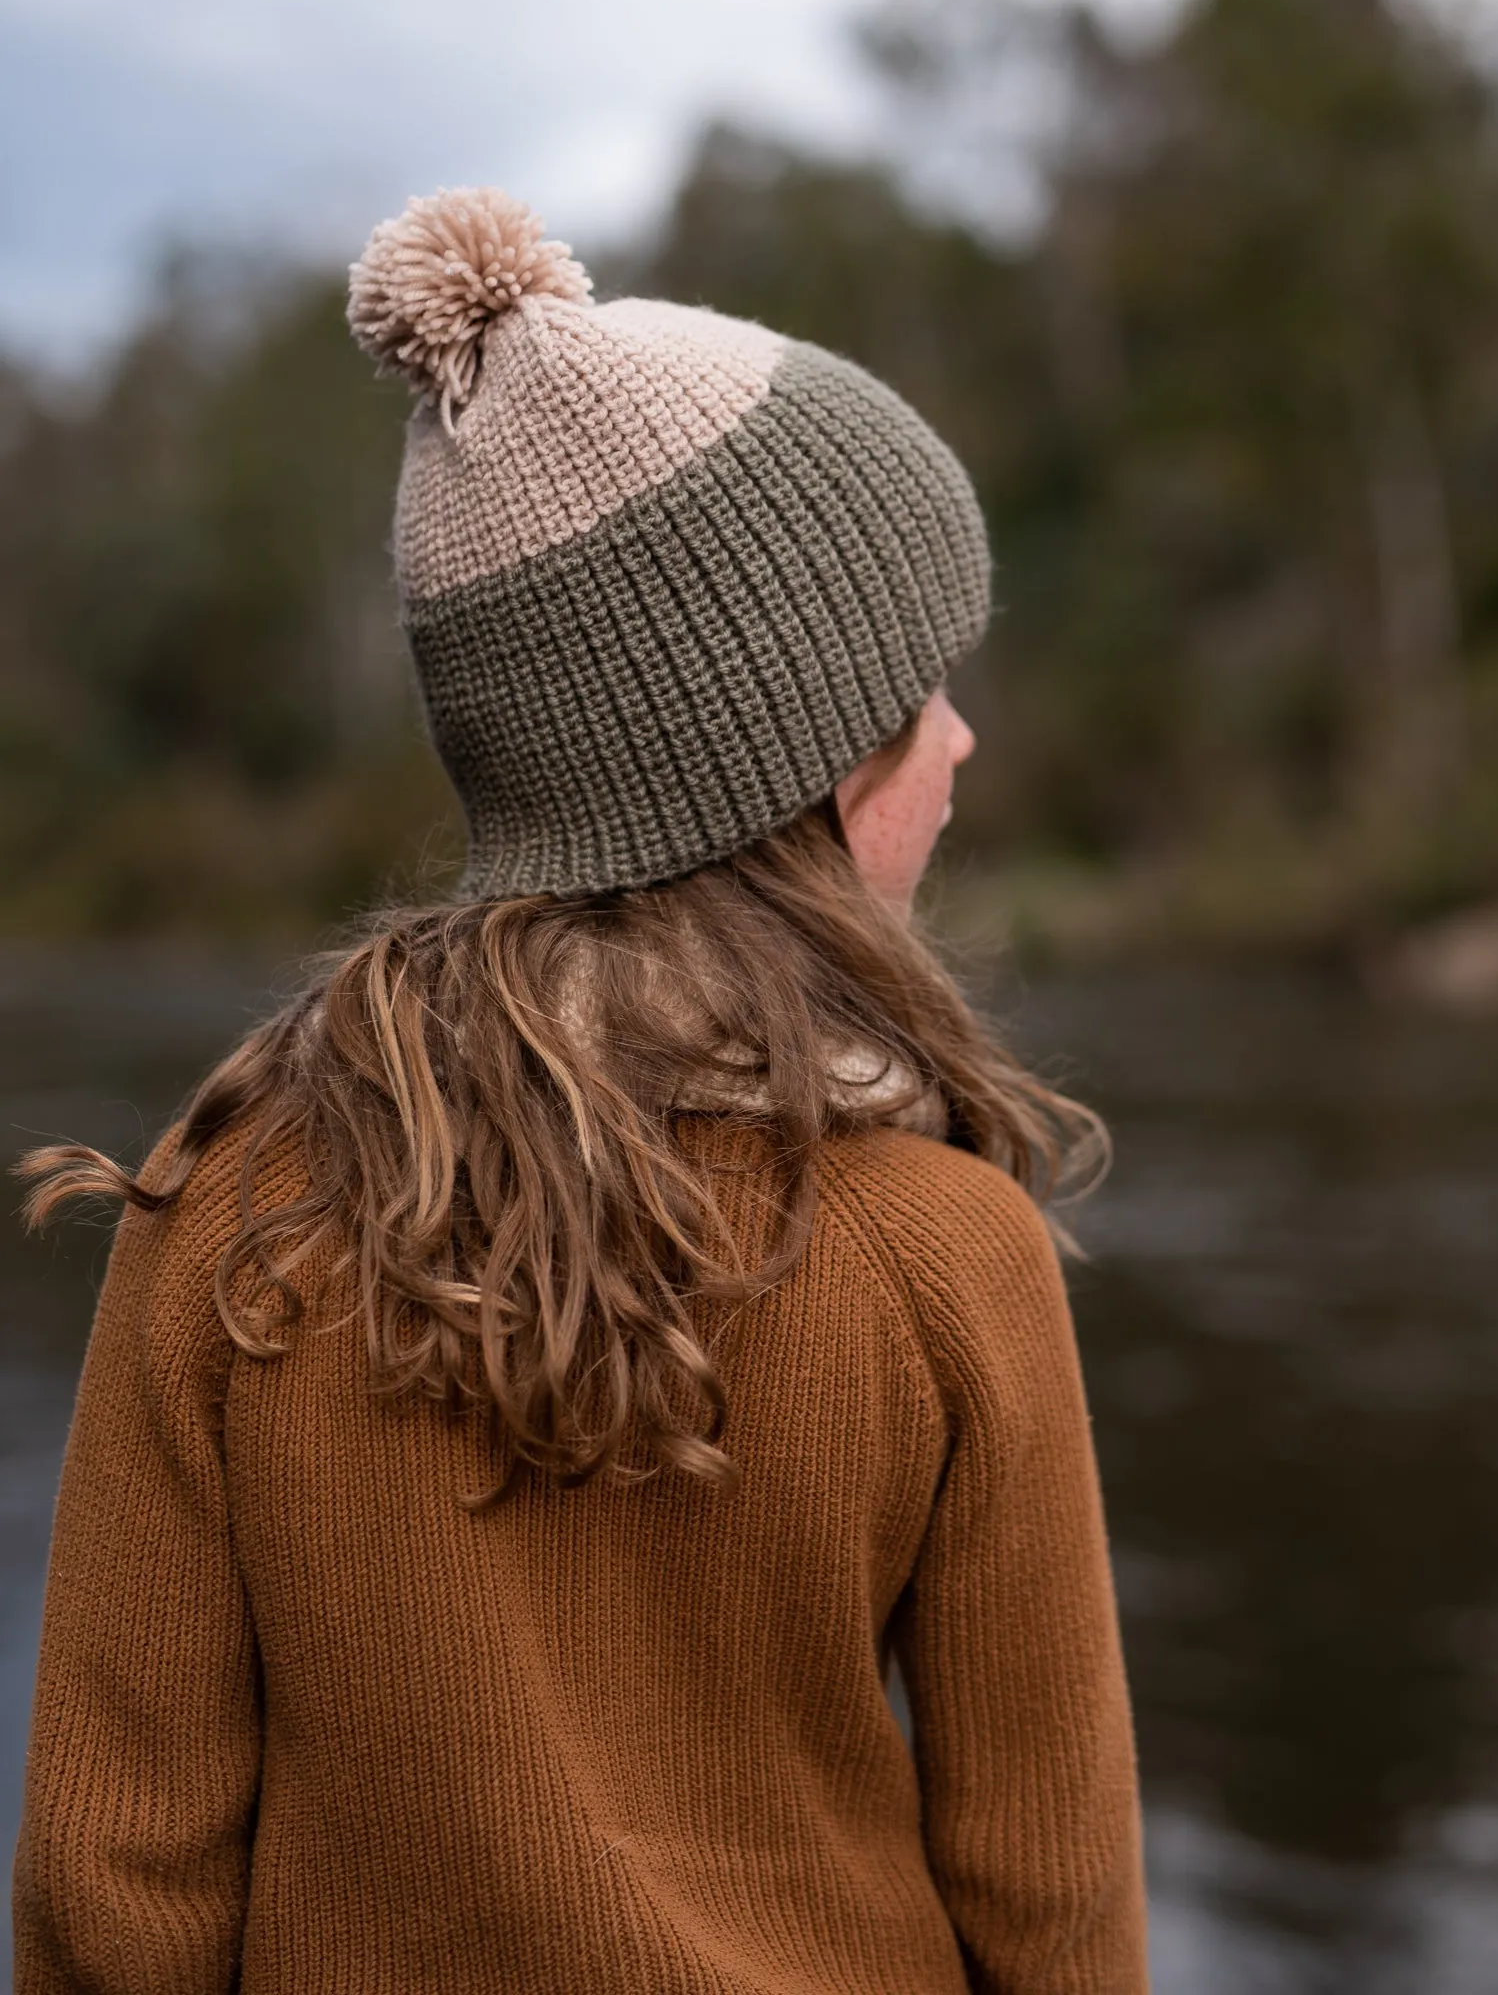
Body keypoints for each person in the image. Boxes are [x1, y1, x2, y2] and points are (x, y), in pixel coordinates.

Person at [13, 188, 1148, 1993]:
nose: (961, 737)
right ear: (792, 769)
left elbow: (111, 1883)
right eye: (917, 692)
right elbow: (1052, 1907)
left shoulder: (232, 1205)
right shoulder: (948, 1251)